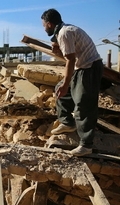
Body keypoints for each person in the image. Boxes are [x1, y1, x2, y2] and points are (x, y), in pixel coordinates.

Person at [41, 8, 103, 156]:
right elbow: (70, 55)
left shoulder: (65, 33)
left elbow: (70, 60)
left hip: (89, 68)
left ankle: (86, 145)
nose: (43, 28)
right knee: (60, 90)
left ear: (49, 24)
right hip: (82, 67)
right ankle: (68, 123)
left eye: (43, 25)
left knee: (83, 104)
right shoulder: (62, 32)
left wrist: (66, 83)